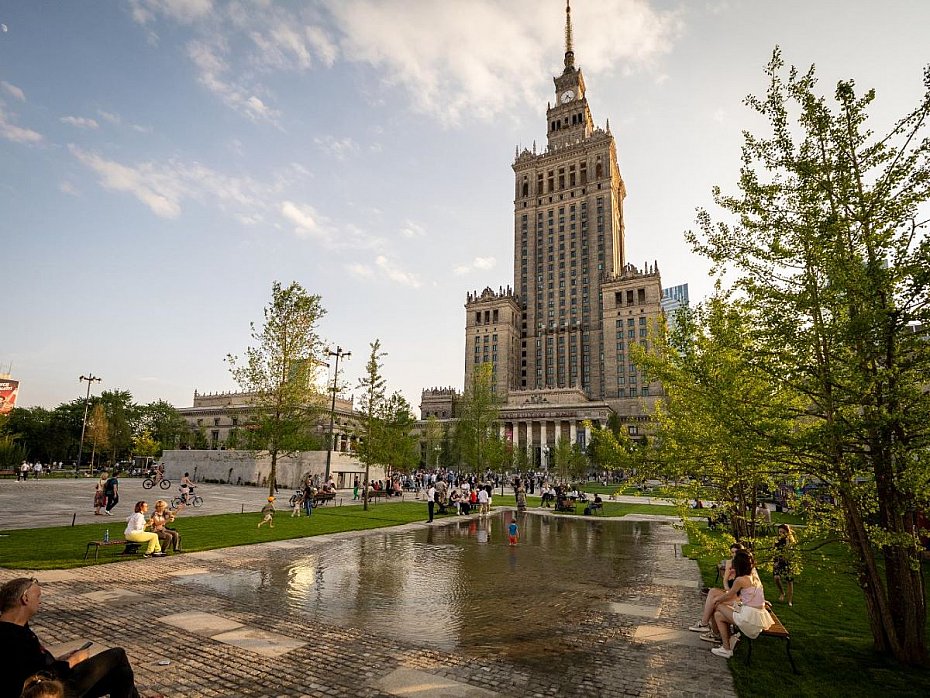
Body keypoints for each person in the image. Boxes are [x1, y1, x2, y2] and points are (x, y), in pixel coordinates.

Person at [0, 577, 141, 698]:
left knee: (122, 673)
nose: (40, 602)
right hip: (48, 691)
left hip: (52, 678)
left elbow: (34, 662)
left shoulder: (19, 627)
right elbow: (37, 677)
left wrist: (60, 659)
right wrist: (72, 661)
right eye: (37, 596)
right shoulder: (11, 638)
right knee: (117, 654)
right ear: (25, 598)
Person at [708, 550, 774, 658]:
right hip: (757, 617)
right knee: (718, 615)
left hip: (749, 618)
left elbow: (729, 595)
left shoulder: (740, 580)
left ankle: (716, 635)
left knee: (717, 606)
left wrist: (717, 599)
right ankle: (726, 646)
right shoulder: (754, 576)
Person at [688, 542, 745, 641]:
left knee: (714, 600)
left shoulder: (744, 567)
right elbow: (725, 581)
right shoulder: (730, 563)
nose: (733, 555)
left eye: (736, 553)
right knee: (713, 592)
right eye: (732, 553)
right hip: (731, 593)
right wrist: (727, 589)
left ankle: (711, 629)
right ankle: (709, 627)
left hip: (739, 597)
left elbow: (743, 589)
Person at [773, 523, 796, 606]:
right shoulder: (776, 540)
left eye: (783, 532)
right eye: (780, 532)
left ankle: (789, 600)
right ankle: (782, 592)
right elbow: (774, 551)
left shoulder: (790, 540)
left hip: (788, 561)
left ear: (787, 532)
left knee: (789, 581)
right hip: (778, 561)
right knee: (776, 577)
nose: (781, 534)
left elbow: (789, 551)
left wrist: (787, 541)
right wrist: (775, 561)